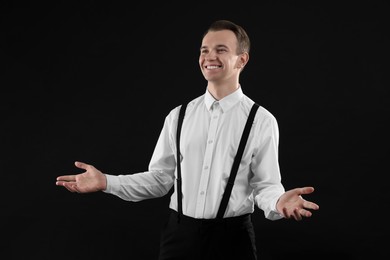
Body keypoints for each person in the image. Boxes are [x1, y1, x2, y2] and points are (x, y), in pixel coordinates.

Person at [56, 19, 319, 260]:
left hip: (232, 240)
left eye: (220, 50)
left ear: (242, 60)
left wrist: (279, 201)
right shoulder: (178, 116)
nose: (209, 57)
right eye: (204, 50)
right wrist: (106, 182)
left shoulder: (261, 120)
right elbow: (160, 180)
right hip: (179, 237)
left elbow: (265, 185)